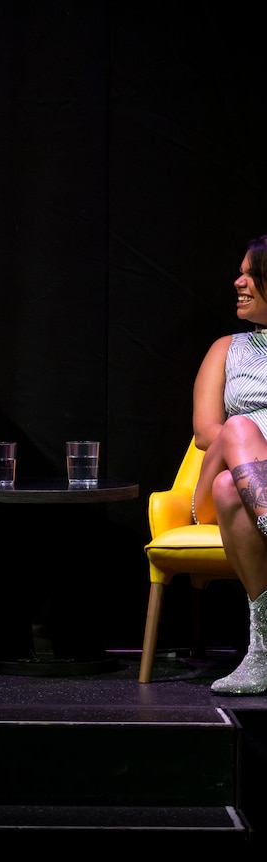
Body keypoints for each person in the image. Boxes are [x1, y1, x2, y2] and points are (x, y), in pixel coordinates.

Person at [193, 233, 267, 695]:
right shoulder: (226, 348)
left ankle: (260, 651)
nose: (238, 281)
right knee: (237, 429)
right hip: (215, 477)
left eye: (250, 274)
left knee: (230, 489)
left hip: (231, 489)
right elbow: (205, 433)